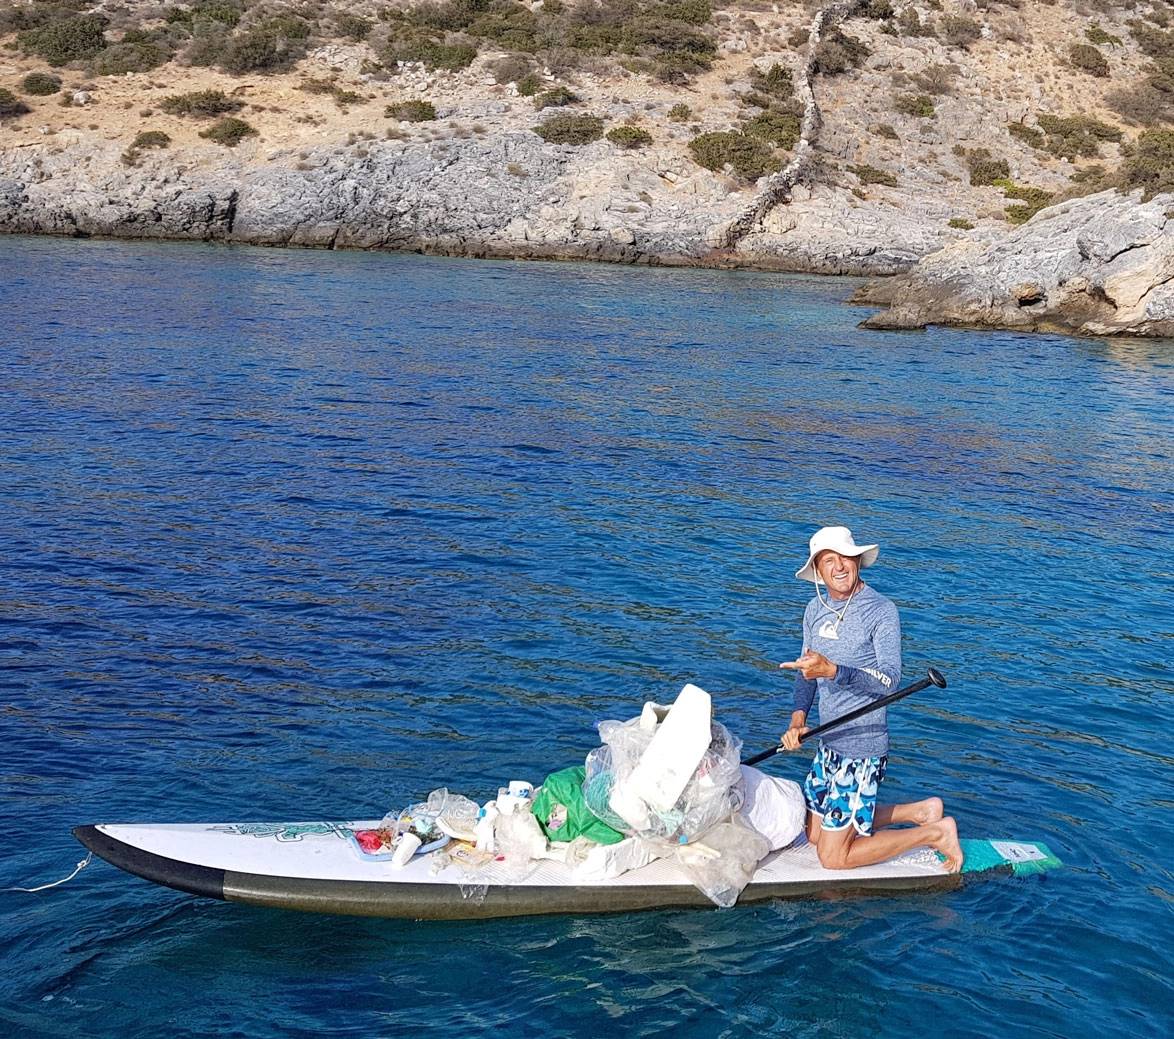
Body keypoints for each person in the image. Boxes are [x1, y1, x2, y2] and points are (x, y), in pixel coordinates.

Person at [779, 526, 964, 873]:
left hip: (863, 748)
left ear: (858, 560)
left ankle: (936, 834)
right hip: (830, 741)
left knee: (832, 857)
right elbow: (806, 671)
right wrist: (798, 721)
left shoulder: (880, 611)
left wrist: (835, 671)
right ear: (817, 571)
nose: (838, 567)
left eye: (844, 558)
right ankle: (919, 812)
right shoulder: (813, 611)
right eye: (828, 560)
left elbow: (889, 681)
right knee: (815, 834)